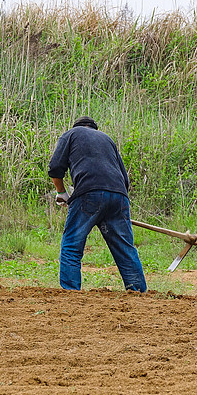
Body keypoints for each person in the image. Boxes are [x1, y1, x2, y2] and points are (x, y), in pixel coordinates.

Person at [48, 116, 147, 292]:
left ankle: (70, 292)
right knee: (125, 249)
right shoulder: (107, 140)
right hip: (119, 196)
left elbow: (55, 168)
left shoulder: (70, 135)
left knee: (71, 244)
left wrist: (62, 193)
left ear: (77, 127)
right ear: (94, 128)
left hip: (88, 194)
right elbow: (125, 181)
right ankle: (138, 292)